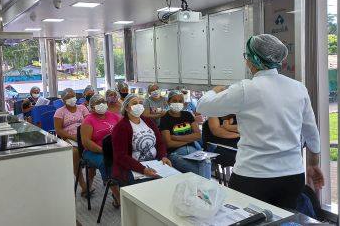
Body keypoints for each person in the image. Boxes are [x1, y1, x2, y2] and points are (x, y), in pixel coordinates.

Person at [197, 34, 324, 209]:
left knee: (248, 219)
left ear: (251, 60)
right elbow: (311, 132)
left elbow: (203, 107)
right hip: (292, 176)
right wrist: (313, 164)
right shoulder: (298, 88)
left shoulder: (245, 89)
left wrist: (214, 91)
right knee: (283, 220)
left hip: (252, 177)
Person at [112, 94, 171, 185]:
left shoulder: (148, 121)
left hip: (154, 163)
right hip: (132, 167)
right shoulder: (121, 127)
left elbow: (160, 142)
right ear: (127, 108)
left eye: (140, 103)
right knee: (152, 187)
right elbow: (121, 156)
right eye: (135, 103)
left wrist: (163, 156)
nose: (138, 105)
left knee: (170, 181)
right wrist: (143, 169)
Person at [159, 90, 211, 179]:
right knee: (200, 173)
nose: (178, 103)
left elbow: (198, 136)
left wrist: (176, 137)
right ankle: (205, 190)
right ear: (168, 102)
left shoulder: (188, 115)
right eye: (174, 101)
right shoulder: (165, 119)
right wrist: (190, 139)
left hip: (193, 151)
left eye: (180, 101)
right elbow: (169, 144)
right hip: (175, 154)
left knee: (206, 162)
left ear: (184, 103)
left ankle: (202, 190)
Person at [81, 94, 121, 207]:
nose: (101, 105)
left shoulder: (114, 116)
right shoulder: (88, 121)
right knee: (106, 162)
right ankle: (117, 195)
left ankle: (125, 187)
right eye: (98, 103)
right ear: (92, 106)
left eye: (103, 102)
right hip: (92, 151)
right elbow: (86, 142)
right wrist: (103, 151)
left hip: (113, 150)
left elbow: (123, 130)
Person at [53, 88, 90, 195]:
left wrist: (84, 136)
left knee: (93, 149)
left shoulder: (82, 108)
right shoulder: (59, 112)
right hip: (69, 138)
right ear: (63, 100)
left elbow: (89, 122)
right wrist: (73, 137)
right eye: (68, 97)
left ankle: (91, 181)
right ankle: (83, 185)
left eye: (73, 96)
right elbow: (58, 130)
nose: (71, 99)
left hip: (84, 135)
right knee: (75, 153)